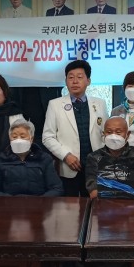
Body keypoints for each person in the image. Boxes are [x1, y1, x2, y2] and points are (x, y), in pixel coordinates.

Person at [84, 116, 134, 267]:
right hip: (102, 211)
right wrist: (124, 187)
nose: (114, 135)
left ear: (127, 134)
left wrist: (109, 186)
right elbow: (94, 191)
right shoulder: (94, 157)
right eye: (109, 131)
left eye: (118, 131)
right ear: (103, 134)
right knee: (86, 242)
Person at [43, 59, 107, 197]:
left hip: (95, 167)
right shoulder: (55, 104)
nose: (75, 81)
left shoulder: (100, 103)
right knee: (68, 207)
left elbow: (105, 134)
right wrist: (66, 155)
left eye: (79, 77)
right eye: (70, 77)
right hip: (68, 166)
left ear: (88, 81)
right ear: (66, 81)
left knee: (95, 205)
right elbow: (47, 137)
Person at [0, 118, 63, 197]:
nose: (18, 140)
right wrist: (10, 200)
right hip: (9, 203)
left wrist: (39, 201)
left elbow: (56, 189)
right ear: (9, 139)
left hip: (37, 202)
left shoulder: (44, 159)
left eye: (22, 136)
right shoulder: (1, 160)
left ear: (31, 139)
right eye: (14, 137)